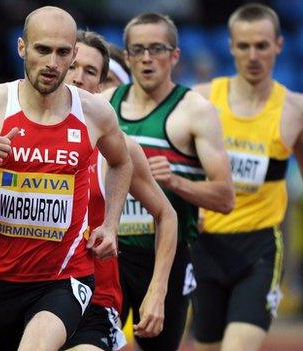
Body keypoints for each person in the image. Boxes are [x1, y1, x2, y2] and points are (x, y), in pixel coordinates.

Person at [0, 6, 134, 351]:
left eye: (63, 52)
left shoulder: (95, 113)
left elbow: (122, 162)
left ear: (73, 55)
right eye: (43, 50)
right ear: (22, 48)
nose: (52, 62)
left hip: (64, 278)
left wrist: (110, 224)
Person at [99, 12, 235, 351]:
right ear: (126, 57)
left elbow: (225, 198)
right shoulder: (103, 107)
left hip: (165, 259)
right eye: (138, 50)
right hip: (108, 255)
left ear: (175, 55)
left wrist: (175, 182)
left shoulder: (196, 112)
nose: (147, 58)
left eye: (157, 49)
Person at [192, 4, 303, 351]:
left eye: (262, 45)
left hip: (258, 249)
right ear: (230, 46)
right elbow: (173, 164)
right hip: (205, 246)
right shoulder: (201, 100)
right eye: (244, 46)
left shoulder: (296, 109)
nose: (253, 55)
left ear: (279, 45)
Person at [63, 29, 177, 351]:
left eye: (90, 72)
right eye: (72, 66)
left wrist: (157, 291)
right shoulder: (17, 133)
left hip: (94, 300)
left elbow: (166, 214)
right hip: (25, 290)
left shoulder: (121, 150)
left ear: (100, 85)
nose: (78, 78)